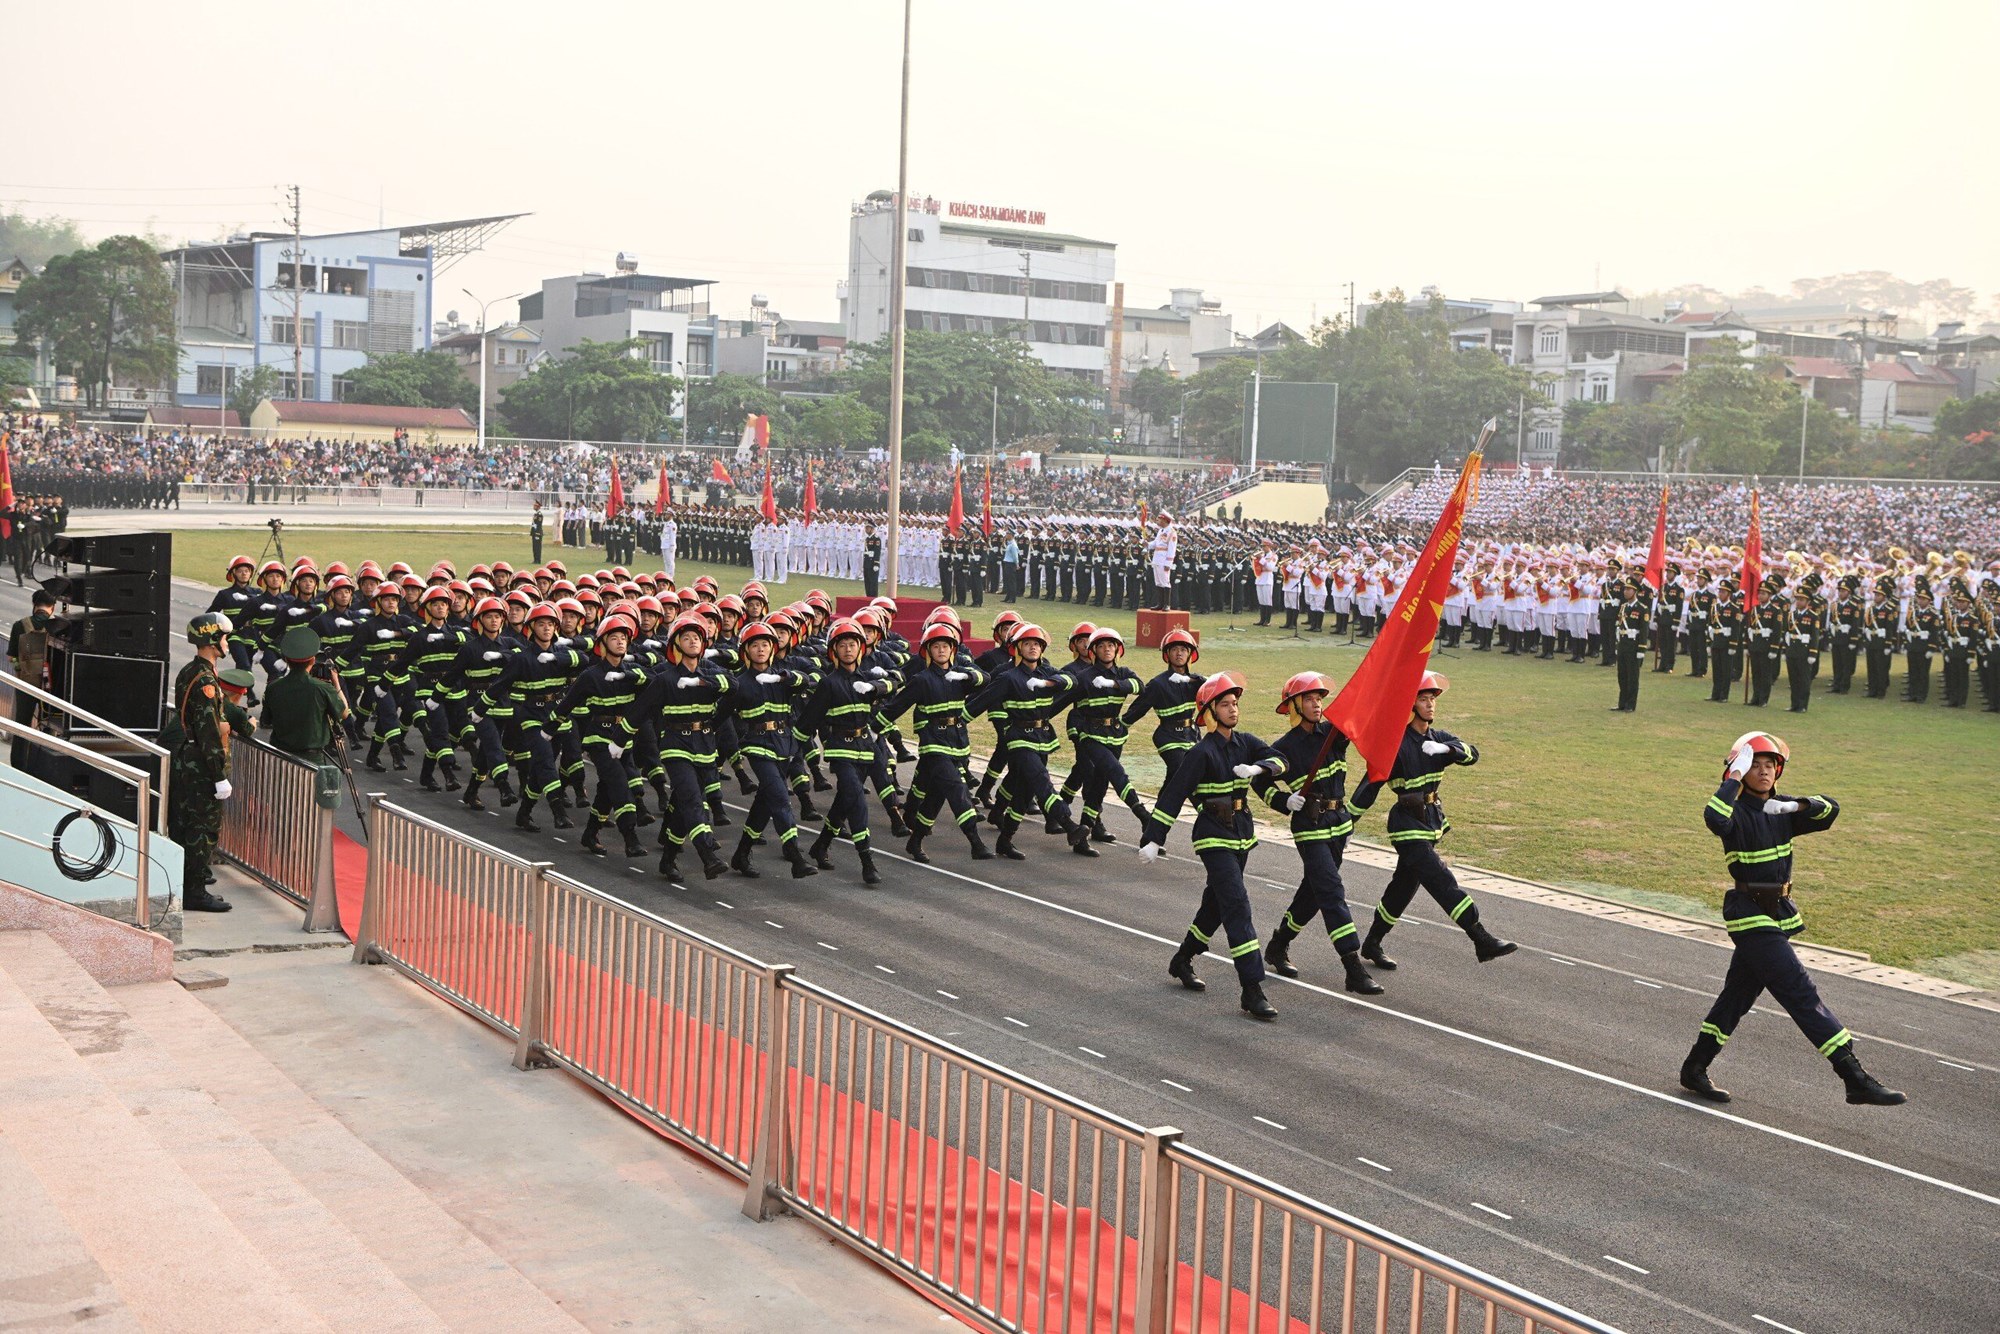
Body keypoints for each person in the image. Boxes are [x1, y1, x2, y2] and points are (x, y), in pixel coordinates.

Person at [1678, 732, 1905, 1107]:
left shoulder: (1781, 810)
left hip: (1778, 913)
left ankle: (1695, 1067)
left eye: (1770, 765)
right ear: (1739, 770)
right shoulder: (1733, 811)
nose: (1764, 771)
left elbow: (1831, 810)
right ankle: (1853, 1076)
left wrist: (1795, 806)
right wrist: (1732, 780)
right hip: (1749, 914)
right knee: (1799, 991)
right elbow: (1713, 818)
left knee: (1736, 996)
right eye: (1754, 765)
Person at [1141, 671, 1285, 1020]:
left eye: (1235, 703)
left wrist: (1260, 767)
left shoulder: (1246, 742)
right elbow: (1173, 795)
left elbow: (1281, 761)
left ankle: (1183, 958)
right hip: (1212, 836)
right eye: (1225, 704)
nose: (1233, 709)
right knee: (1237, 905)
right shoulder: (1200, 752)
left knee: (1216, 906)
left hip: (1241, 835)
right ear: (1208, 711)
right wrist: (1153, 837)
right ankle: (1251, 989)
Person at [1351, 671, 1516, 970]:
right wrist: (1348, 822)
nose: (1430, 705)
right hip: (1406, 826)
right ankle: (1480, 938)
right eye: (1423, 699)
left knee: (1403, 887)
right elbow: (1370, 785)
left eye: (1432, 700)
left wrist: (1447, 750)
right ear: (1409, 704)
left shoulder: (1438, 739)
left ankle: (1373, 942)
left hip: (1430, 822)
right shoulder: (1395, 744)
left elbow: (1472, 754)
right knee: (1440, 878)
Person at [1251, 672, 1383, 995]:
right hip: (1309, 829)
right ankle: (1352, 966)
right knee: (1332, 890)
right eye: (1309, 698)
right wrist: (1285, 801)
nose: (1317, 704)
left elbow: (1359, 715)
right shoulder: (1285, 746)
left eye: (1320, 698)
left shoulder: (1333, 735)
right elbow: (1261, 779)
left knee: (1312, 894)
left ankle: (1278, 943)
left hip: (1339, 826)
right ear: (1295, 705)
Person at [170, 613, 236, 913]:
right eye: (223, 637)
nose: (226, 643)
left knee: (185, 826)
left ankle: (186, 884)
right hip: (201, 764)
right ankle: (195, 891)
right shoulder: (206, 680)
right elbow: (209, 731)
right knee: (202, 829)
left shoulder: (189, 671)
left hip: (189, 758)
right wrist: (219, 775)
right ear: (212, 641)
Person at [262, 627, 347, 758]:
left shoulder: (273, 687)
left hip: (280, 758)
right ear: (313, 660)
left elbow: (266, 720)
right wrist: (336, 682)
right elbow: (344, 713)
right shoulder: (323, 688)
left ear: (286, 660)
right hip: (312, 760)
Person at [6, 589, 57, 770]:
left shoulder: (20, 626)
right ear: (52, 607)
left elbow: (11, 657)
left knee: (22, 724)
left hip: (25, 684)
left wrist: (20, 666)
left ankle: (18, 764)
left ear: (34, 605)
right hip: (48, 686)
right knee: (48, 726)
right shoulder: (57, 627)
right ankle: (40, 765)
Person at [1612, 579, 1647, 712]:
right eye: (1625, 589)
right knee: (1622, 676)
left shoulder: (1642, 609)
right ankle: (1622, 703)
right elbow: (1619, 626)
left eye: (1629, 589)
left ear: (1635, 591)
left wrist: (1641, 649)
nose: (1625, 591)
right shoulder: (1623, 607)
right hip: (1623, 645)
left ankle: (1631, 704)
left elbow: (1644, 631)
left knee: (1632, 676)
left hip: (1634, 646)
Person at [861, 522, 882, 599]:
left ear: (872, 529)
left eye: (868, 528)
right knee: (867, 581)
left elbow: (877, 551)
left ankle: (873, 597)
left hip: (873, 563)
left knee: (873, 582)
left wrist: (876, 563)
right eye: (866, 528)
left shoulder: (876, 539)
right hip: (867, 562)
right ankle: (868, 596)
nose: (866, 529)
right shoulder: (867, 539)